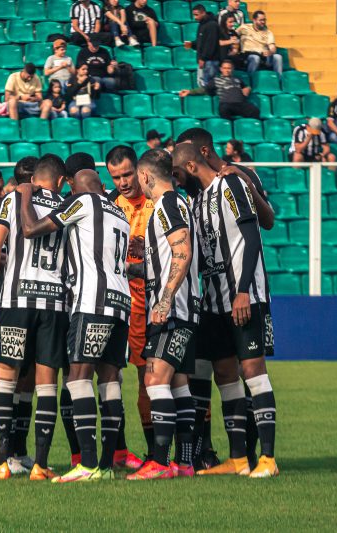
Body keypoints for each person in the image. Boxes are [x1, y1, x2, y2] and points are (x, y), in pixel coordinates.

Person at [172, 142, 279, 479]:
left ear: (190, 167)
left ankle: (268, 459)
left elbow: (251, 236)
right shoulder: (198, 201)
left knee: (253, 370)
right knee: (226, 376)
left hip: (243, 296)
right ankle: (237, 459)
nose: (176, 182)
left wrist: (244, 290)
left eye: (177, 175)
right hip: (215, 303)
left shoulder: (229, 185)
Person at [18, 168, 131, 482]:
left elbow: (31, 229)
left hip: (92, 301)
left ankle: (88, 464)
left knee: (78, 379)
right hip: (121, 303)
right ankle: (106, 465)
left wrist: (26, 194)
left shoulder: (82, 202)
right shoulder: (118, 210)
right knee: (109, 380)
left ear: (77, 187)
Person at [0, 154, 69, 481]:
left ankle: (1, 462)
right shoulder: (67, 204)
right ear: (59, 180)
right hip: (54, 304)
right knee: (46, 384)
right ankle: (41, 465)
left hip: (15, 301)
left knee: (5, 379)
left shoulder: (12, 199)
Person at [123, 149, 200, 480]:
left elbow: (182, 251)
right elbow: (169, 257)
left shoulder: (167, 204)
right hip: (183, 308)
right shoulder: (176, 204)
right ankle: (184, 463)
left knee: (154, 379)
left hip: (173, 310)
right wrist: (133, 269)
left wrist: (165, 299)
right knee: (179, 384)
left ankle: (159, 461)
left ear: (145, 176)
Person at [105, 145, 156, 468]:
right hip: (120, 301)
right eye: (115, 177)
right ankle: (122, 451)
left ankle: (156, 452)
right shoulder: (110, 205)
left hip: (152, 301)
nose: (123, 182)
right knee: (118, 377)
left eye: (126, 174)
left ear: (138, 170)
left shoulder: (158, 201)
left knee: (151, 379)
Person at [179, 60, 260, 120]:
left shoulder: (237, 79)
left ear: (232, 69)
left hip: (241, 104)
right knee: (223, 109)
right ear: (221, 69)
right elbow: (204, 90)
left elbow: (246, 87)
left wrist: (248, 88)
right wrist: (189, 92)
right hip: (227, 104)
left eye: (229, 68)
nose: (227, 70)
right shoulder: (216, 80)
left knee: (255, 110)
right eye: (225, 68)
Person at [237, 10, 282, 76]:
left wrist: (270, 52)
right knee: (255, 58)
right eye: (260, 20)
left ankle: (279, 81)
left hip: (263, 56)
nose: (263, 22)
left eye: (264, 20)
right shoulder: (244, 27)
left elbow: (272, 47)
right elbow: (233, 35)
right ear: (254, 20)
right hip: (247, 55)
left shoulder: (268, 32)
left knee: (278, 57)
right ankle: (250, 79)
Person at [188, 4, 220, 87]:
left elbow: (211, 44)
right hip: (205, 60)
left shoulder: (212, 25)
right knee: (202, 84)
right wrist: (192, 44)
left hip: (210, 61)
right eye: (194, 15)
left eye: (196, 15)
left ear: (203, 13)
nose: (195, 17)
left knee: (207, 85)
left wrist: (203, 58)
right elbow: (201, 41)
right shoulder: (201, 24)